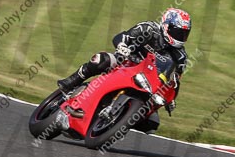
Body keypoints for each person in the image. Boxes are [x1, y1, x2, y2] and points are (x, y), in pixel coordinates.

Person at [57, 8, 192, 116]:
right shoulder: (149, 29)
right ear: (166, 26)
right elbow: (123, 36)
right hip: (125, 62)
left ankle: (121, 120)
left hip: (148, 81)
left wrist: (171, 98)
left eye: (184, 34)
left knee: (152, 120)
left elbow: (175, 81)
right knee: (101, 60)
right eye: (177, 32)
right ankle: (72, 81)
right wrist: (122, 45)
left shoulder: (180, 56)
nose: (181, 37)